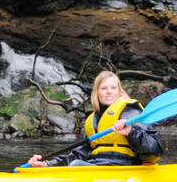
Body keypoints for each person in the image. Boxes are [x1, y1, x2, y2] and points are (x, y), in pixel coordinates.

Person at [26, 70, 164, 168]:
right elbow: (78, 154)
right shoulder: (93, 120)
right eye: (104, 88)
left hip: (124, 168)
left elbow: (155, 151)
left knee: (76, 166)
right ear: (97, 93)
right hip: (97, 167)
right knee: (75, 163)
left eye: (113, 88)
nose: (109, 91)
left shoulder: (131, 113)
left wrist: (131, 132)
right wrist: (47, 164)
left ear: (119, 91)